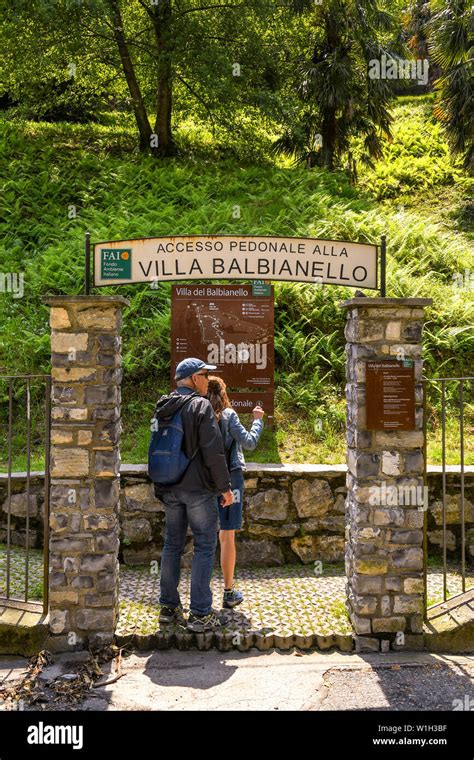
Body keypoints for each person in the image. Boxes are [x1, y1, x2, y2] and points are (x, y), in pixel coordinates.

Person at [153, 358, 234, 633]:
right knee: (203, 545)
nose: (206, 380)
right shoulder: (201, 406)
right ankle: (200, 613)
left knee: (172, 544)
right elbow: (214, 451)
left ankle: (168, 609)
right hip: (197, 489)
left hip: (170, 486)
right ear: (193, 378)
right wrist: (225, 488)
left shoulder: (163, 405)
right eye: (204, 375)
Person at [207, 376, 264, 609]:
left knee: (206, 537)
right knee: (227, 536)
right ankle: (228, 592)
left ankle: (201, 595)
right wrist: (258, 420)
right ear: (223, 393)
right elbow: (249, 442)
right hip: (231, 479)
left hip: (206, 480)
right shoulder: (229, 415)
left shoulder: (200, 412)